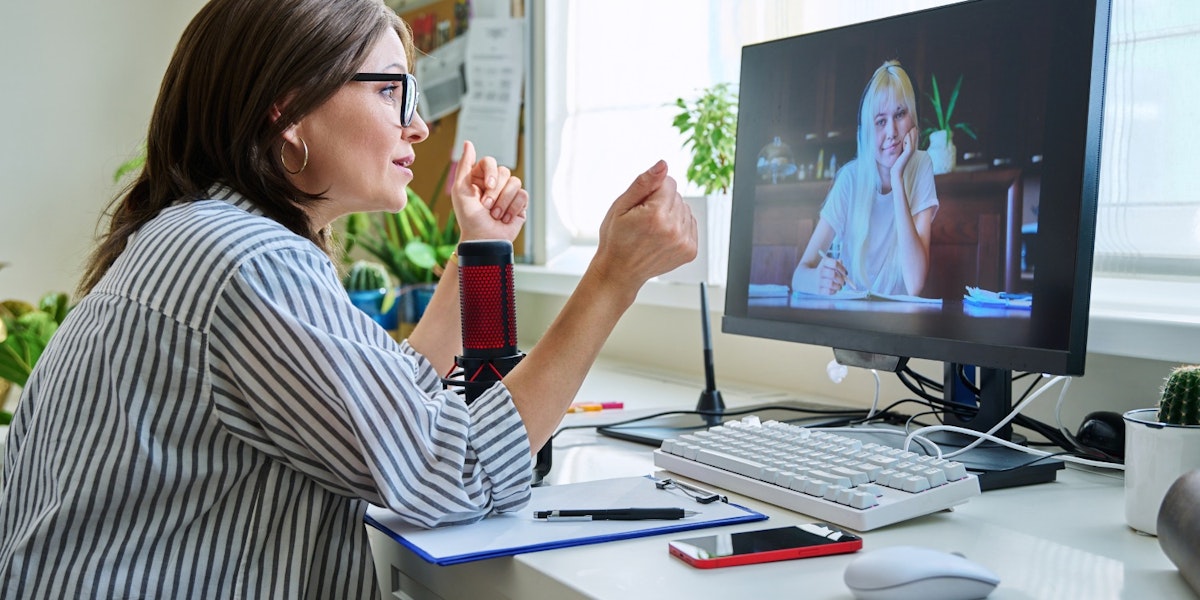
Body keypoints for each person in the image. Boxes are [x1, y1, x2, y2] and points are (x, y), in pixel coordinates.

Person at [0, 0, 696, 598]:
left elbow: (390, 403)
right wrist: (612, 278)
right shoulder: (248, 262)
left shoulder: (194, 235)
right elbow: (457, 471)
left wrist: (479, 252)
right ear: (289, 108)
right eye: (392, 90)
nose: (417, 127)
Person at [790, 60, 938, 297]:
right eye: (880, 121)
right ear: (868, 130)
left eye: (900, 114)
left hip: (899, 324)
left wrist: (897, 177)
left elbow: (915, 283)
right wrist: (817, 280)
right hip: (853, 318)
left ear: (913, 118)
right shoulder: (850, 178)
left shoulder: (921, 165)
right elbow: (798, 276)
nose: (892, 132)